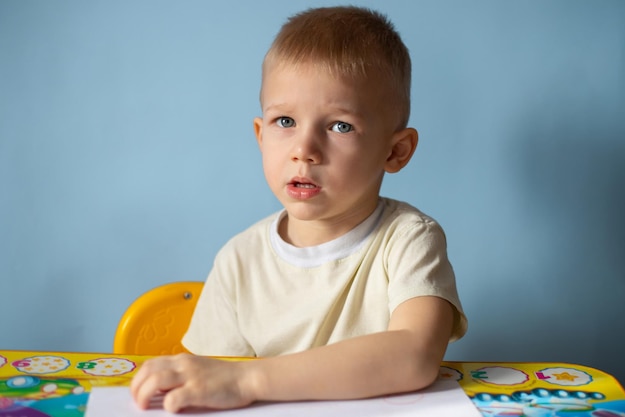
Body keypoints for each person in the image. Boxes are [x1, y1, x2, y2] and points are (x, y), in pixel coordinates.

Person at [131, 5, 467, 413]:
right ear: (259, 135)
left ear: (395, 151)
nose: (303, 150)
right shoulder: (239, 259)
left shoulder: (409, 239)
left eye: (339, 126)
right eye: (285, 121)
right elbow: (212, 380)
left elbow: (414, 355)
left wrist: (249, 380)